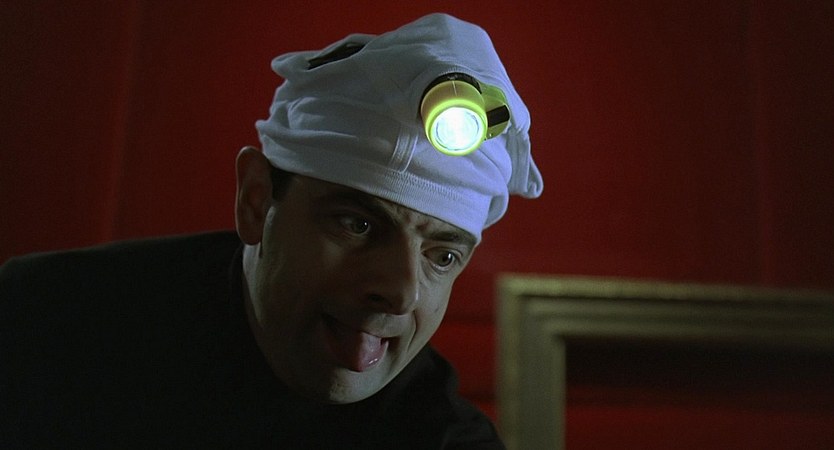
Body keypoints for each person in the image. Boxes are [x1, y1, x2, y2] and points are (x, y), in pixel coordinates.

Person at [0, 13, 542, 449]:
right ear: (256, 201)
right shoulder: (41, 326)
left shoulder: (441, 438)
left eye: (441, 256)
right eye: (357, 225)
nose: (400, 291)